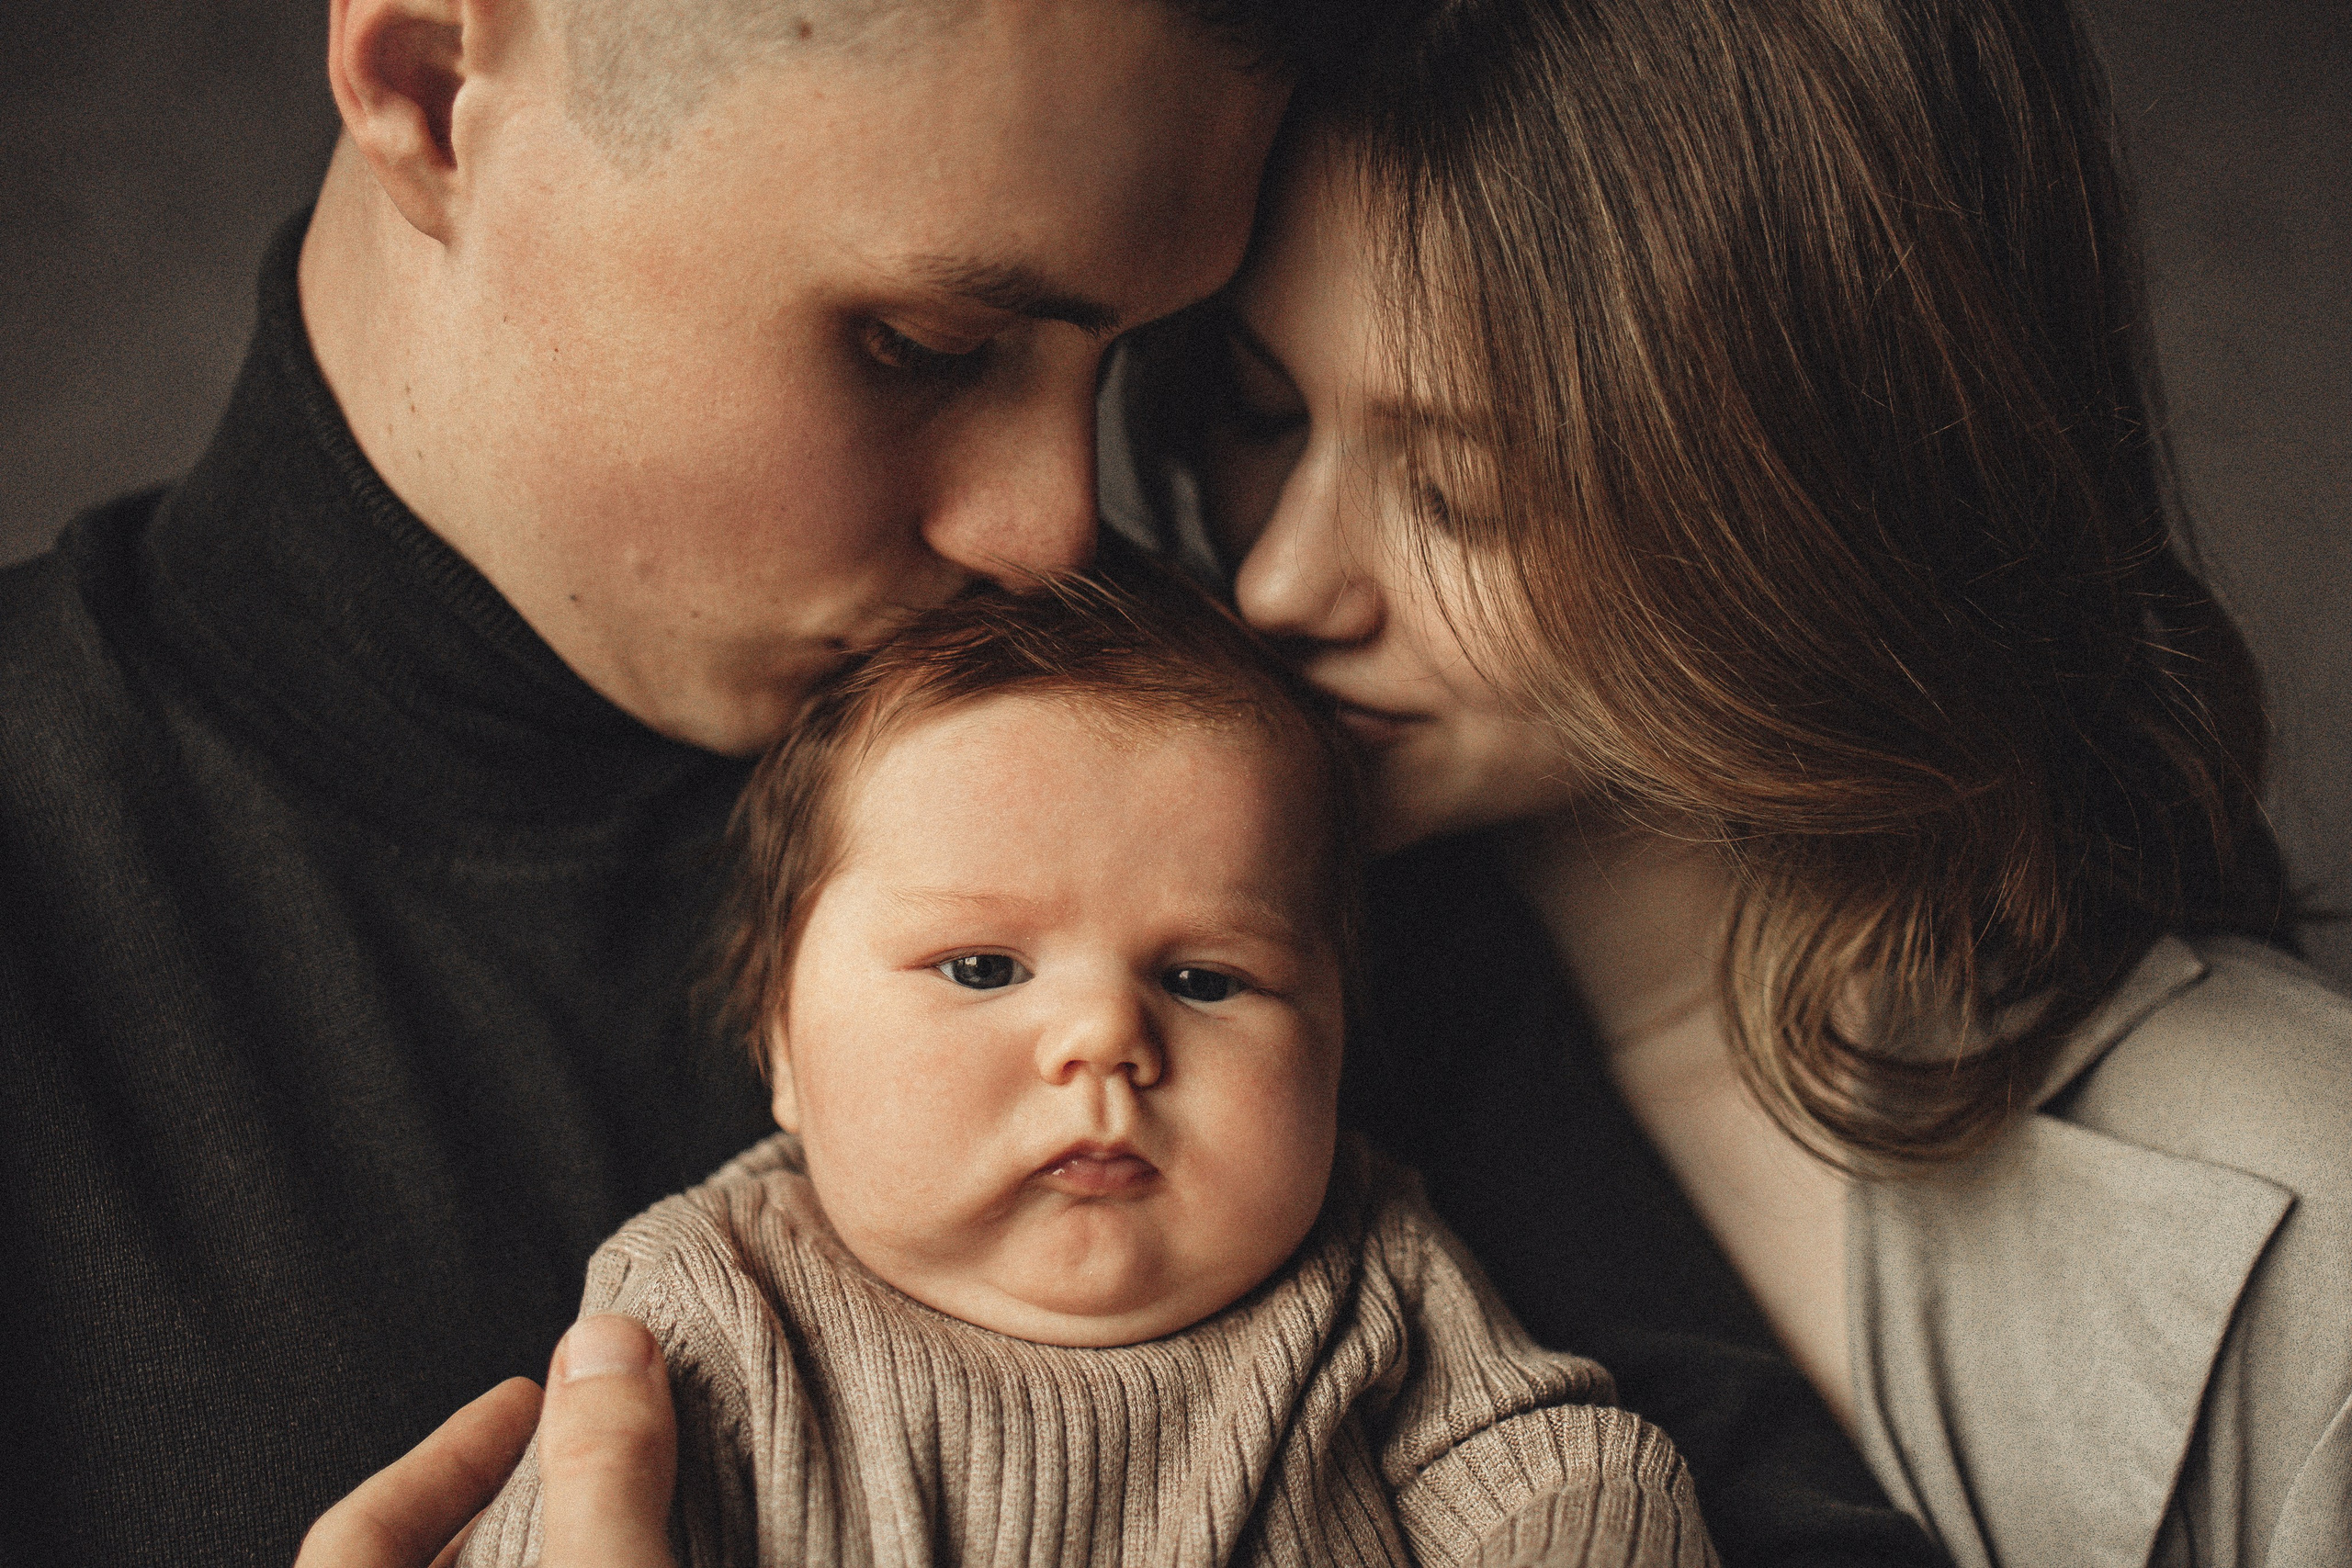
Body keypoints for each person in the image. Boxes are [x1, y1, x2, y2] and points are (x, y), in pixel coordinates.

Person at [0, 0, 1299, 1561]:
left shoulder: (1251, 815)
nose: (1053, 535)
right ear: (424, 85)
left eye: (1135, 365)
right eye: (925, 348)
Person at [1156, 0, 2352, 1564]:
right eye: (1261, 413)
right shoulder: (1134, 1004)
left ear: (1802, 503)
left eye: (1462, 492)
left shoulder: (2293, 1206)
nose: (1282, 584)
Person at [450, 566, 1716, 1567]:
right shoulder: (713, 1299)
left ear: (1339, 1039)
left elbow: (1578, 1481)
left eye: (1207, 980)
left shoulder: (1372, 1278)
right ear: (779, 1039)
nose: (1106, 1040)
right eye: (985, 969)